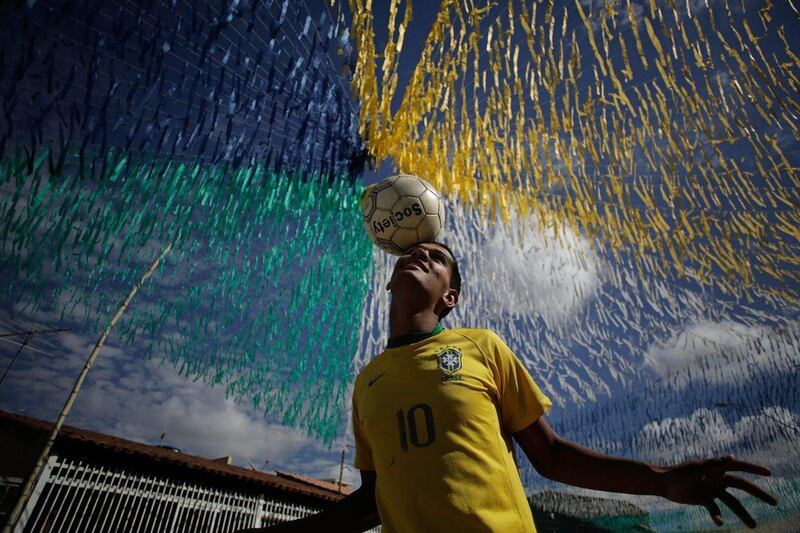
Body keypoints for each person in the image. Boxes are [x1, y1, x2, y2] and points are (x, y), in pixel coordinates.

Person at [237, 241, 777, 532]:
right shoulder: (367, 384)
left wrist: (659, 481)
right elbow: (370, 502)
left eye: (439, 259)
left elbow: (552, 456)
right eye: (414, 253)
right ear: (389, 280)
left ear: (450, 297)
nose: (421, 255)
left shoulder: (481, 347)